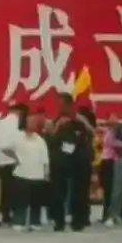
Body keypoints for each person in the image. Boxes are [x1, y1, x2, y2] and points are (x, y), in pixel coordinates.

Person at [47, 93, 95, 232]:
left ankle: (78, 220)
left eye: (62, 105)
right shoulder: (56, 120)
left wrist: (84, 123)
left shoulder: (81, 118)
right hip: (61, 160)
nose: (60, 108)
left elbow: (92, 133)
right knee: (58, 191)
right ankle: (59, 221)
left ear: (70, 105)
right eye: (58, 105)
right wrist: (55, 128)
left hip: (79, 159)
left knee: (80, 191)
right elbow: (50, 137)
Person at [2, 111, 50, 232]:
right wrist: (15, 158)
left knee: (36, 202)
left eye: (34, 122)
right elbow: (4, 148)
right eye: (30, 122)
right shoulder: (18, 137)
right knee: (20, 201)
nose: (32, 124)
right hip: (21, 174)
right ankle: (19, 221)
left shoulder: (40, 140)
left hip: (37, 175)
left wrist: (46, 173)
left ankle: (35, 222)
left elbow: (45, 159)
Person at [0, 103, 29, 227]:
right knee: (12, 191)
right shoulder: (16, 124)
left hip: (1, 162)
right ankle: (4, 215)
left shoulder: (1, 123)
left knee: (5, 191)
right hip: (12, 161)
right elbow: (17, 143)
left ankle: (2, 215)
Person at [98, 114, 118, 223]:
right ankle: (106, 214)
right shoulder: (108, 132)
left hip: (111, 161)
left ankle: (110, 214)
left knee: (110, 189)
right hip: (105, 161)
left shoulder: (116, 134)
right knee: (106, 189)